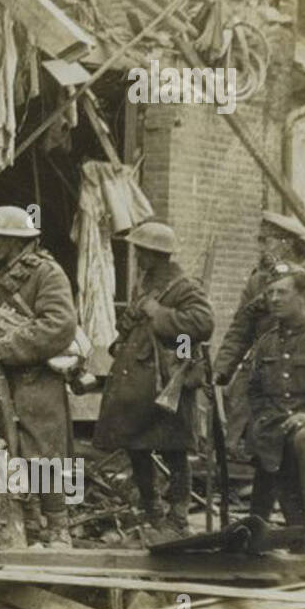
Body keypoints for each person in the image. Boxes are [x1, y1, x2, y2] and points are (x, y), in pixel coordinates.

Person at [94, 221, 215, 542]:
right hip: (139, 382)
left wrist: (158, 312)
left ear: (157, 255)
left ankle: (178, 518)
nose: (137, 257)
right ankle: (152, 512)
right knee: (136, 445)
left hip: (166, 385)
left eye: (142, 252)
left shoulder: (184, 287)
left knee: (174, 451)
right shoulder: (146, 282)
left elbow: (201, 324)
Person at [0, 205, 78, 548]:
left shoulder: (47, 273)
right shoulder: (0, 275)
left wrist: (12, 346)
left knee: (46, 455)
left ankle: (59, 528)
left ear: (17, 241)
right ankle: (23, 525)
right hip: (4, 379)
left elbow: (60, 324)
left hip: (37, 381)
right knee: (6, 451)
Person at [214, 211, 305, 525]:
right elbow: (240, 330)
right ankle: (259, 522)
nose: (260, 246)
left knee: (293, 445)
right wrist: (220, 371)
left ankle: (299, 523)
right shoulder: (257, 282)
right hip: (264, 373)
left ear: (286, 243)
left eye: (266, 240)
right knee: (257, 440)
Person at [247, 267, 305, 558]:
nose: (274, 299)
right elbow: (255, 390)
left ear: (303, 295)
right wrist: (263, 418)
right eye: (270, 293)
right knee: (270, 440)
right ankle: (291, 533)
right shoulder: (266, 342)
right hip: (278, 424)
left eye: (282, 292)